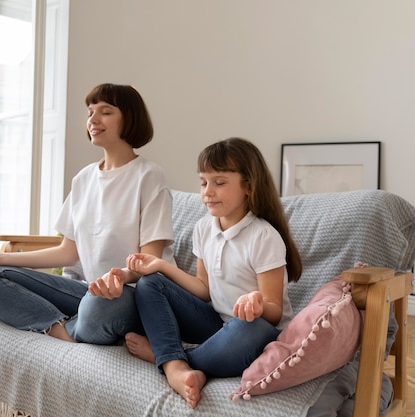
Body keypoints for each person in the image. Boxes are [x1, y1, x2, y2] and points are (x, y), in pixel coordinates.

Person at [0, 83, 174, 345]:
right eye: (90, 112)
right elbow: (67, 252)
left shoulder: (149, 176)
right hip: (87, 290)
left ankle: (80, 324)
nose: (93, 120)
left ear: (129, 117)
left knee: (98, 308)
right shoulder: (83, 179)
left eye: (105, 112)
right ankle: (62, 331)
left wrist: (118, 278)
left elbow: (149, 262)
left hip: (128, 294)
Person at [123, 137, 302, 408]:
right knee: (150, 284)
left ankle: (168, 357)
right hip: (216, 324)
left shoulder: (264, 236)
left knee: (247, 328)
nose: (208, 191)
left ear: (248, 186)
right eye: (203, 182)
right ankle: (175, 365)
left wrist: (256, 303)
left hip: (256, 330)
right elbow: (203, 289)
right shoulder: (203, 228)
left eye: (219, 183)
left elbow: (274, 309)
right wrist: (161, 266)